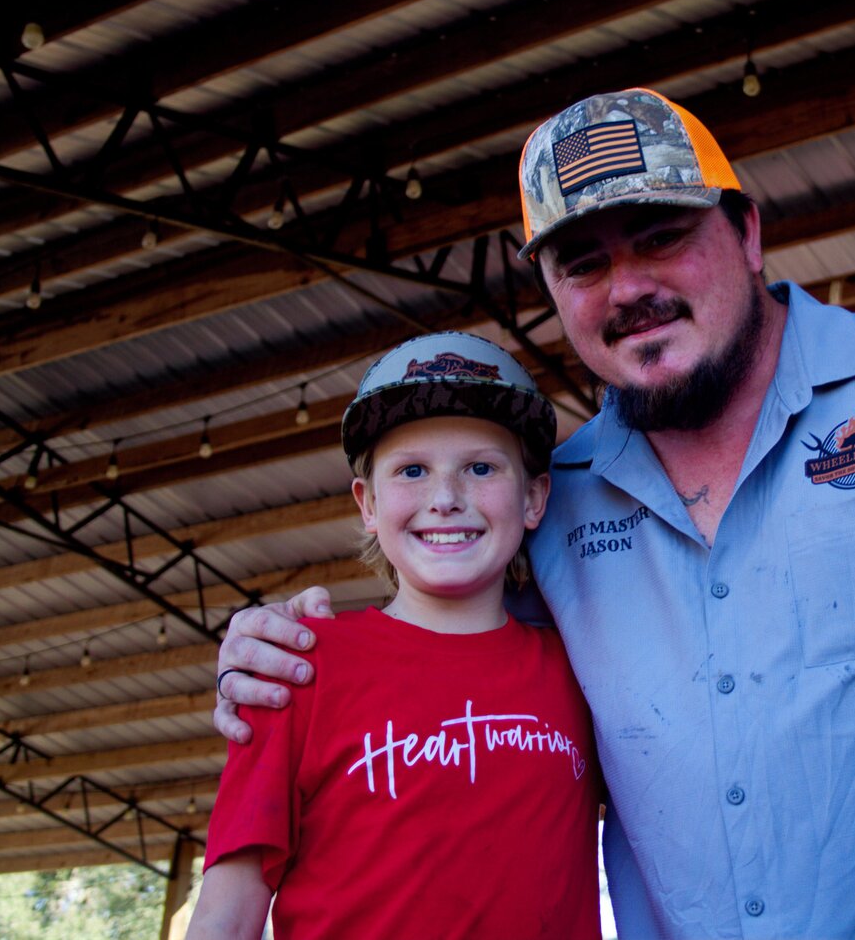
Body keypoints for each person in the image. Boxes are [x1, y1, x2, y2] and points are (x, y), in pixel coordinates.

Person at [215, 88, 855, 939]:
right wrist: (280, 651)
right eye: (583, 264)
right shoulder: (557, 497)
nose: (629, 288)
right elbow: (446, 661)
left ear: (748, 232)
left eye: (660, 236)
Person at [191, 332, 601, 940]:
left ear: (534, 497)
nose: (445, 499)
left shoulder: (587, 672)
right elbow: (226, 914)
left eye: (481, 467)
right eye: (412, 470)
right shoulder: (294, 666)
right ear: (368, 504)